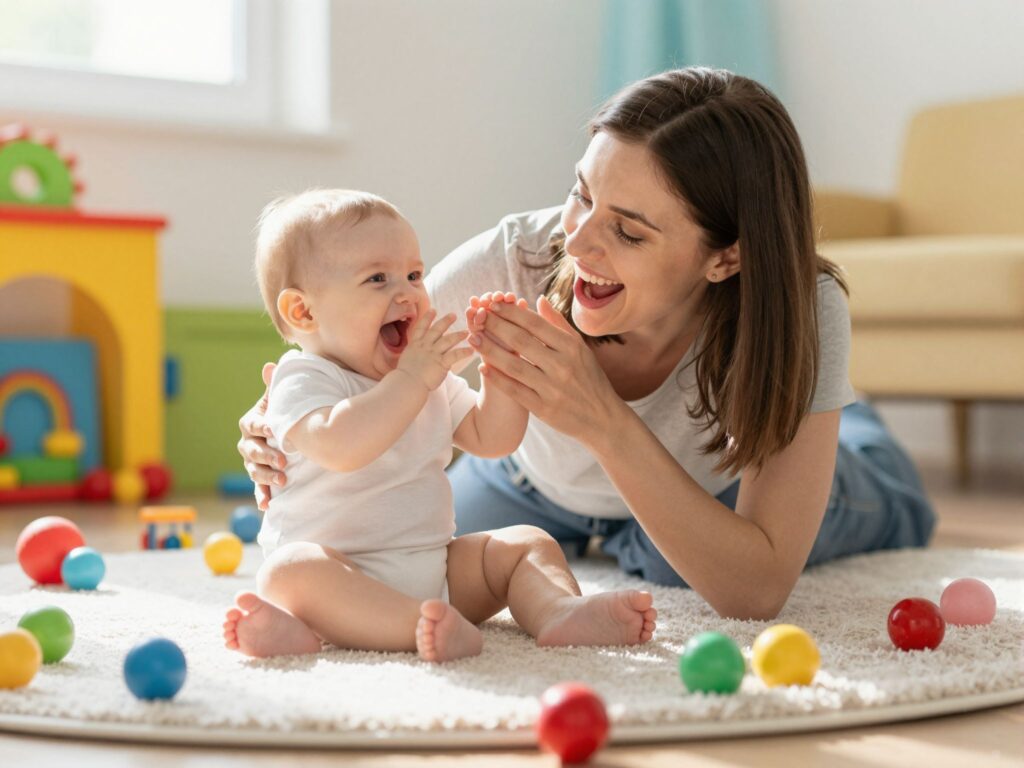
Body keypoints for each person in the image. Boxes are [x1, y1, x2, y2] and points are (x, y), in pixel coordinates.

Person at [238, 68, 936, 622]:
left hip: (717, 478)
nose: (575, 240)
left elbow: (754, 593)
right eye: (580, 194)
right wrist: (275, 427)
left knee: (686, 559)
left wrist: (599, 415)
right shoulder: (521, 256)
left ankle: (853, 429)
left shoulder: (800, 309)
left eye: (629, 231)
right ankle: (627, 534)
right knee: (429, 549)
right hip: (531, 484)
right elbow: (346, 354)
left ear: (725, 257)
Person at [222, 189, 657, 662]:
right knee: (288, 572)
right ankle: (404, 627)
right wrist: (413, 378)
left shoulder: (425, 375)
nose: (407, 292)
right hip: (339, 576)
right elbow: (342, 445)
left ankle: (557, 610)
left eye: (414, 274)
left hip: (435, 567)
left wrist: (502, 372)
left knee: (527, 543)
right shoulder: (304, 378)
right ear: (303, 312)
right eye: (377, 279)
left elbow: (492, 439)